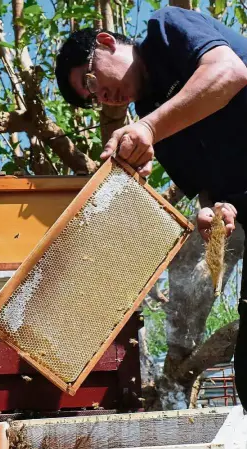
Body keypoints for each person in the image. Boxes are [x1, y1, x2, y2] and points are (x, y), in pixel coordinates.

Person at [55, 6, 247, 408]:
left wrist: (147, 128)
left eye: (92, 81)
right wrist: (214, 213)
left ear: (106, 43)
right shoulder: (151, 119)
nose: (102, 97)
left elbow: (229, 72)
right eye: (92, 98)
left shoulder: (165, 30)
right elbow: (209, 189)